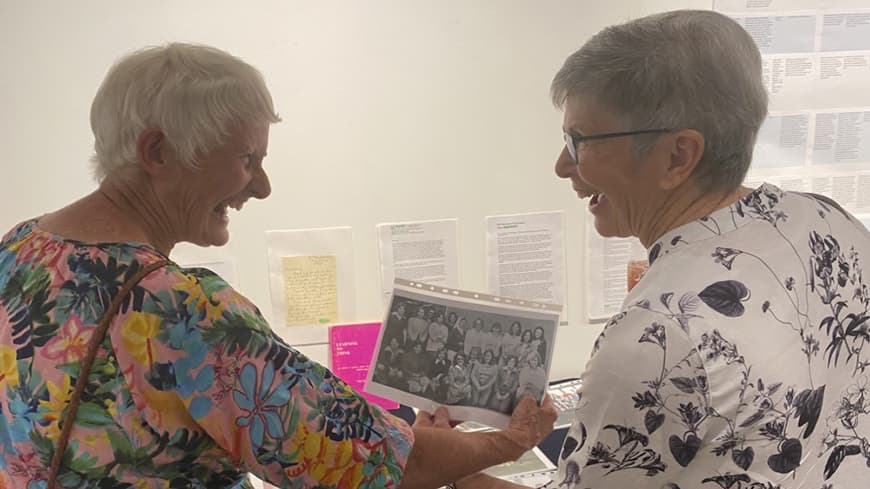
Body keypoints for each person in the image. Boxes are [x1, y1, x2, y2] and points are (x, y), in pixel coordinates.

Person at [0, 42, 557, 489]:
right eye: (248, 160)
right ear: (158, 152)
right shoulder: (178, 311)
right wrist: (508, 441)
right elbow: (369, 462)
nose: (262, 188)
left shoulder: (20, 249)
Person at [460, 8, 870, 489]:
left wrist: (446, 471)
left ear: (678, 156)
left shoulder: (657, 337)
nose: (561, 166)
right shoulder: (828, 219)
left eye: (579, 142)